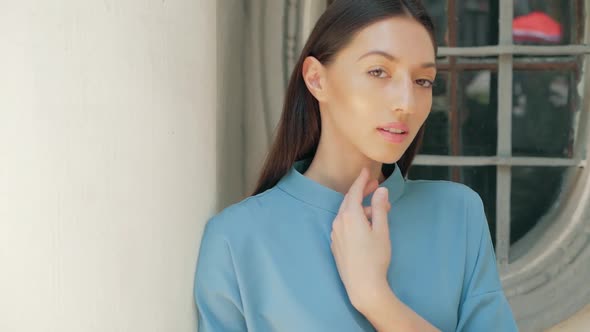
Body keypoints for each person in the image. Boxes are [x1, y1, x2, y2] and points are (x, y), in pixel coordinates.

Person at [193, 0, 519, 331]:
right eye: (378, 71)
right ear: (317, 79)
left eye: (423, 80)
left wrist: (376, 297)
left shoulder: (457, 215)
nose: (405, 103)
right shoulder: (237, 239)